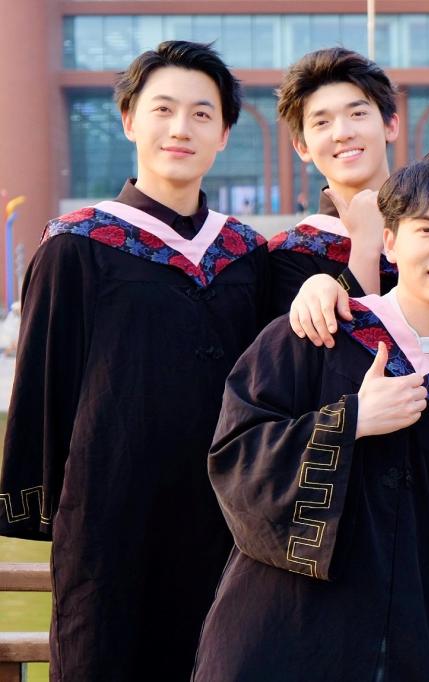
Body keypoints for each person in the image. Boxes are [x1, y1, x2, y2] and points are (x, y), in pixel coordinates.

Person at [192, 146, 429, 682]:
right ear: (390, 240)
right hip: (285, 640)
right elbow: (234, 459)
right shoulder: (314, 336)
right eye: (427, 229)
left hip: (420, 649)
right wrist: (351, 422)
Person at [0, 41, 270, 680]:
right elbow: (43, 392)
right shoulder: (77, 246)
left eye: (202, 114)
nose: (181, 128)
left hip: (227, 523)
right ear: (129, 120)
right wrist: (56, 512)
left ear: (224, 134)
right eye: (163, 109)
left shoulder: (246, 254)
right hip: (109, 524)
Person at [267, 47, 401, 316]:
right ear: (302, 147)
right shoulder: (291, 255)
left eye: (358, 114)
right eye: (322, 122)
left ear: (390, 126)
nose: (342, 133)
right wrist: (364, 249)